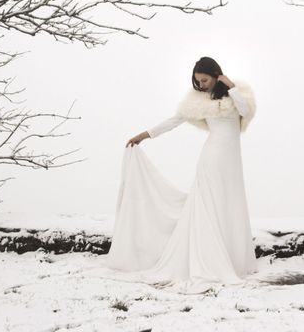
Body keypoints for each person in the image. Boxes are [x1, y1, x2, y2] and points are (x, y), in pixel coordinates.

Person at [106, 56, 259, 293]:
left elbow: (246, 111)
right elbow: (174, 120)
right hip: (212, 157)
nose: (201, 85)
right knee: (209, 204)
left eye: (204, 80)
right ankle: (209, 259)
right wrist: (144, 135)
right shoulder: (197, 100)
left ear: (216, 75)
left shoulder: (235, 93)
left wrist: (231, 87)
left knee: (230, 203)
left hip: (231, 160)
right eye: (197, 81)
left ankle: (233, 259)